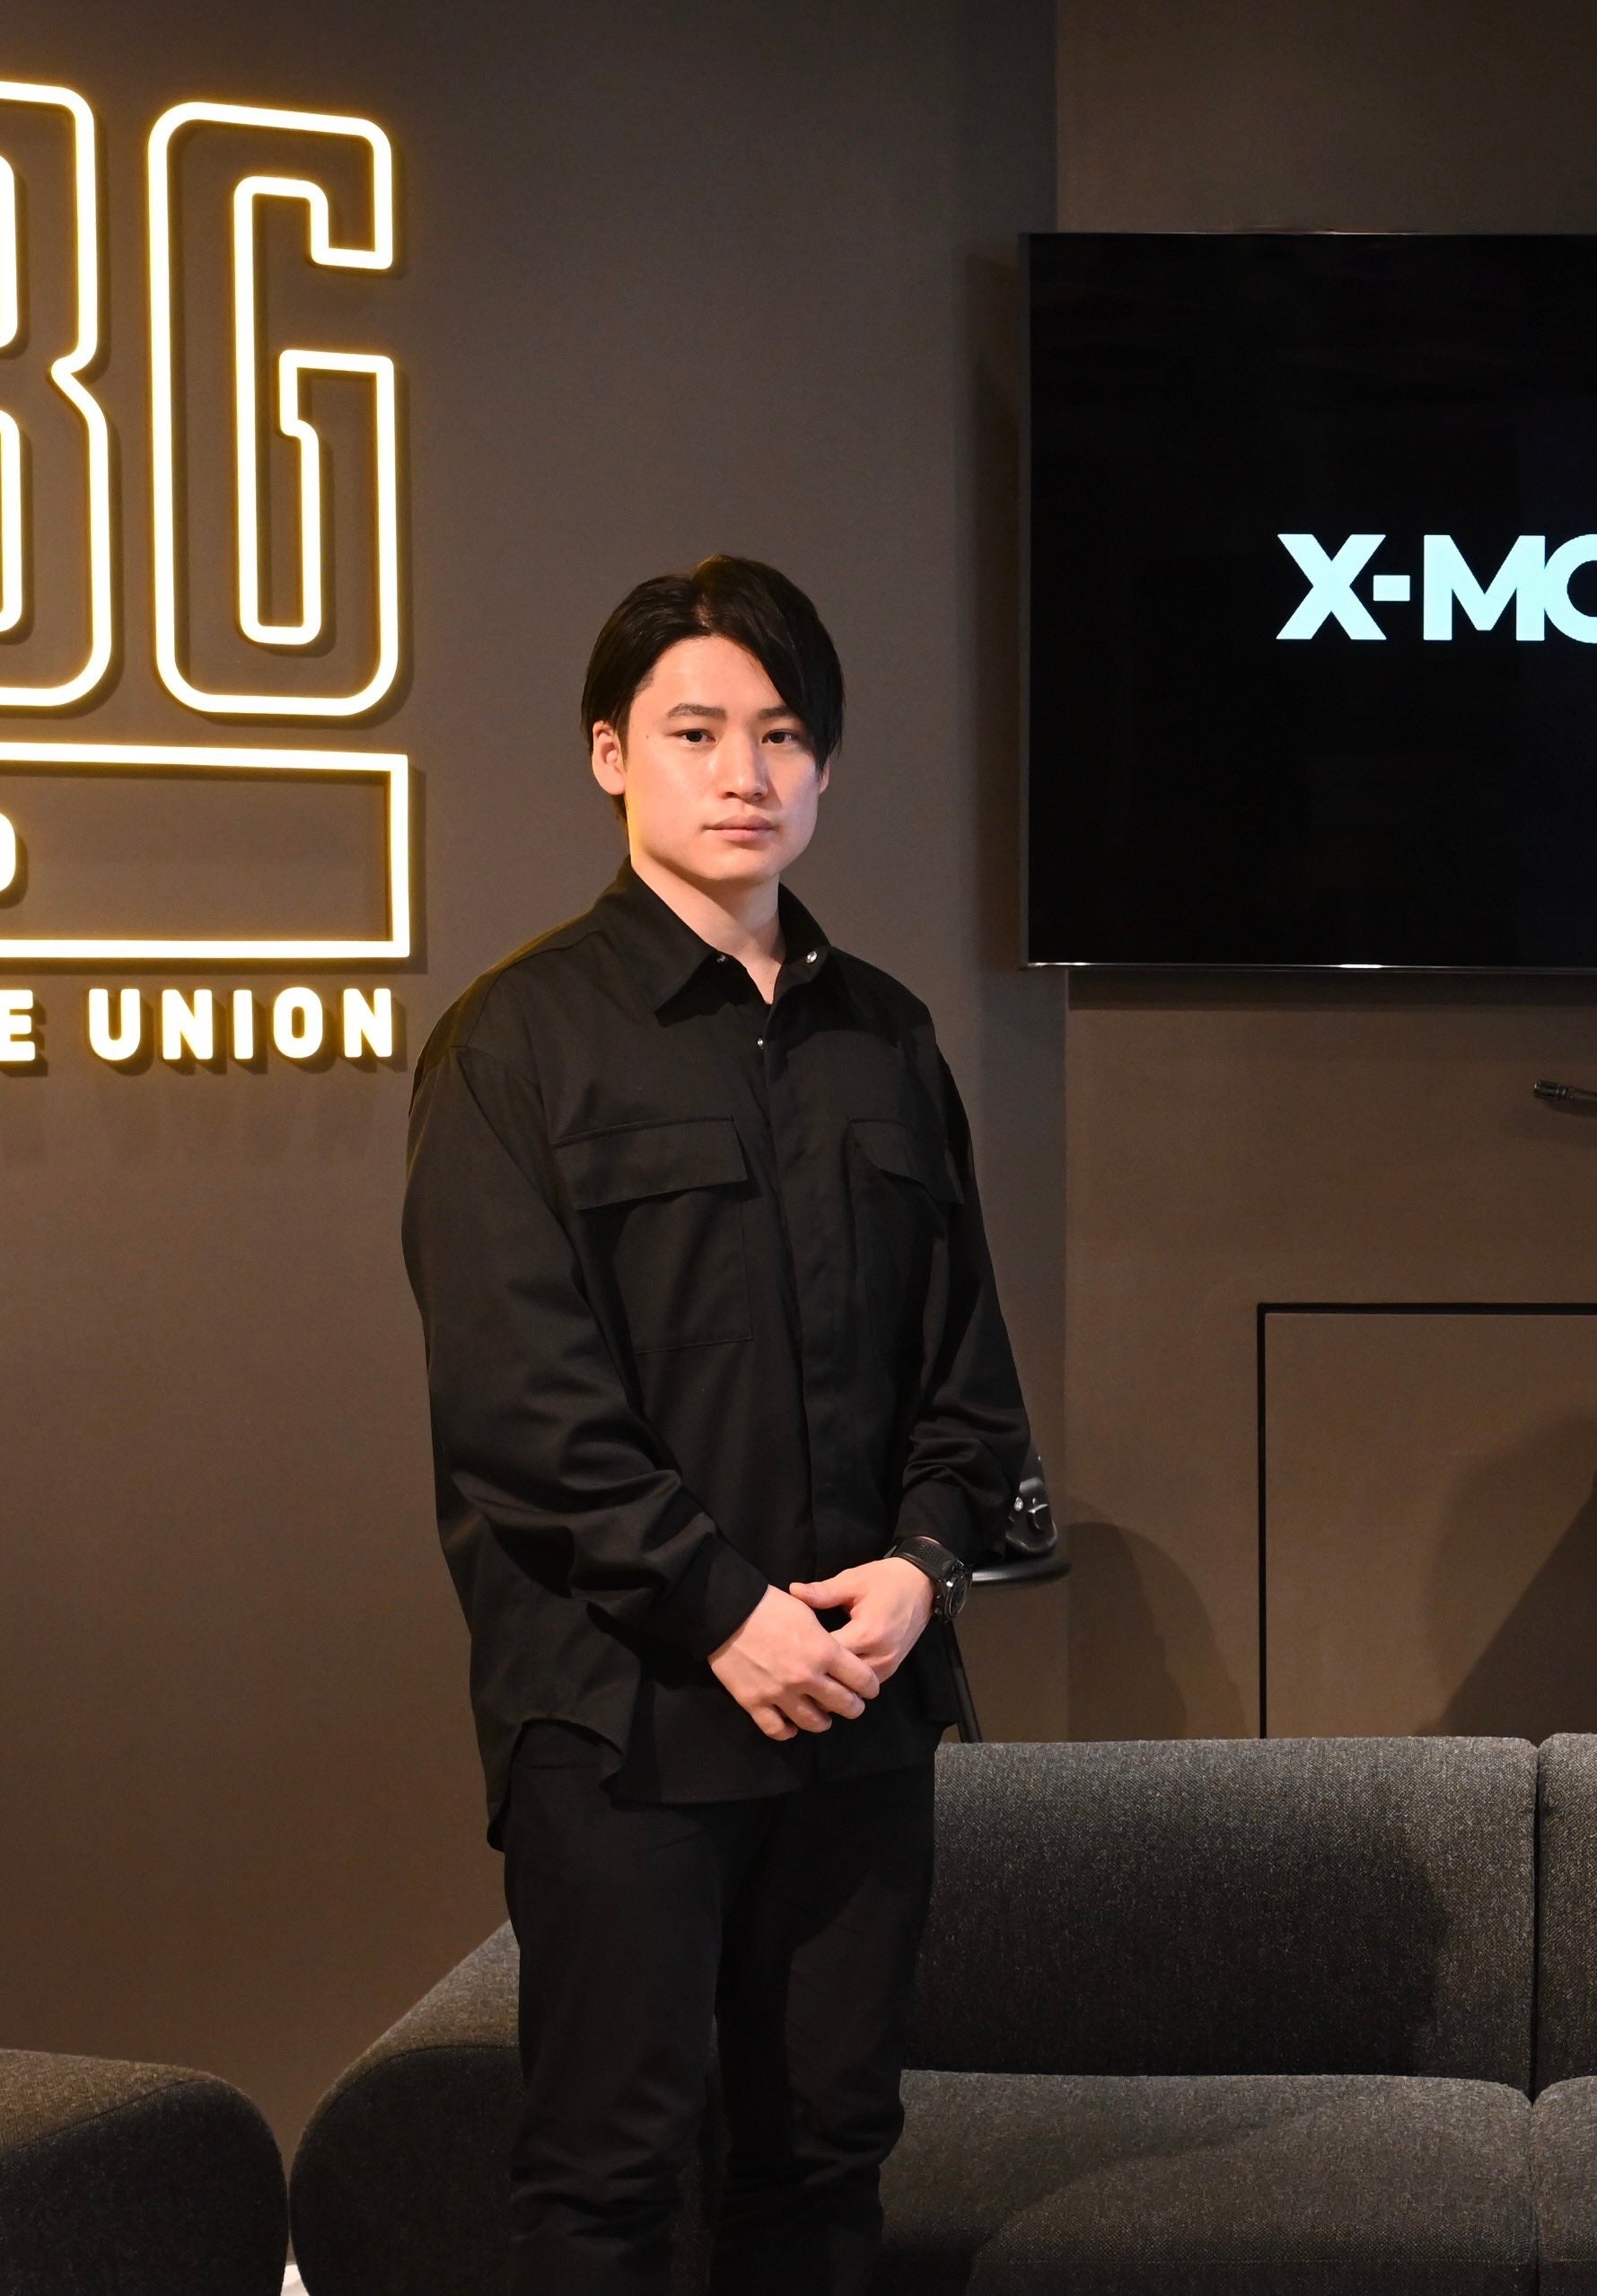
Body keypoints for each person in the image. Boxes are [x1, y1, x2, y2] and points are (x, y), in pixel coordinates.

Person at [402, 557, 1031, 2295]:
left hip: (859, 1715)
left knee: (826, 2160)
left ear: (823, 767)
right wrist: (727, 1610)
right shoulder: (513, 1046)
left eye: (782, 733)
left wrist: (922, 1568)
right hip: (627, 1720)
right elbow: (522, 1411)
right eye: (695, 731)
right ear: (611, 754)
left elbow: (967, 1378)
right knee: (606, 2175)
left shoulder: (890, 1041)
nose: (744, 771)